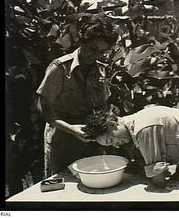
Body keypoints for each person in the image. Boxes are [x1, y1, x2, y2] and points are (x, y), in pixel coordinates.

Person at [36, 16, 119, 176]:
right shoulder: (59, 69)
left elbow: (103, 104)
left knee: (94, 179)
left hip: (91, 137)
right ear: (82, 41)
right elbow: (43, 109)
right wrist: (70, 129)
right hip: (63, 137)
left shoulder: (101, 70)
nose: (95, 55)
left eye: (102, 52)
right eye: (92, 49)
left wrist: (108, 119)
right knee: (62, 183)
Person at [83, 104, 179, 187]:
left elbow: (158, 179)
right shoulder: (137, 119)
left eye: (111, 140)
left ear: (113, 124)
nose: (116, 146)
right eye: (110, 145)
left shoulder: (142, 130)